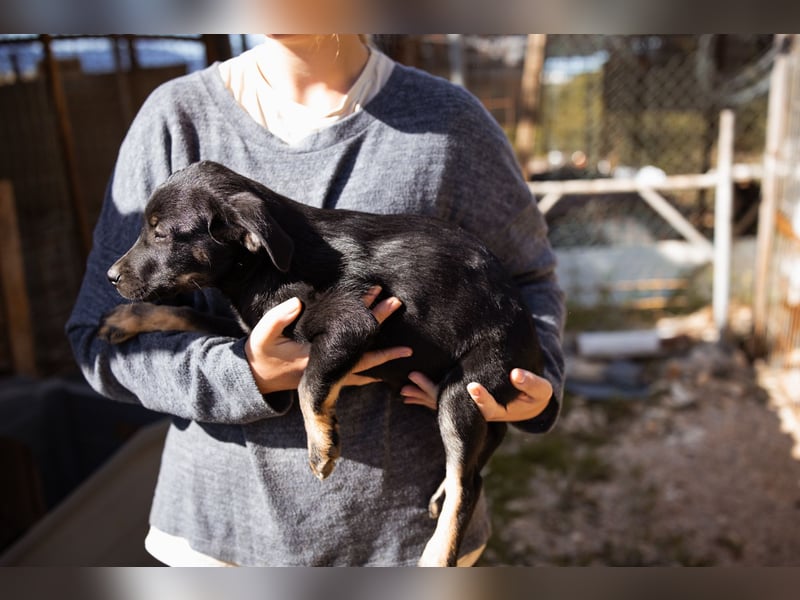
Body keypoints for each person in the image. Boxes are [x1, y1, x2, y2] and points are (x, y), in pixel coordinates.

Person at [66, 34, 565, 566]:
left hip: (405, 540)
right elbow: (96, 341)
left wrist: (536, 382)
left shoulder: (449, 121)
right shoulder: (176, 117)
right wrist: (248, 373)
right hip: (219, 539)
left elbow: (528, 277)